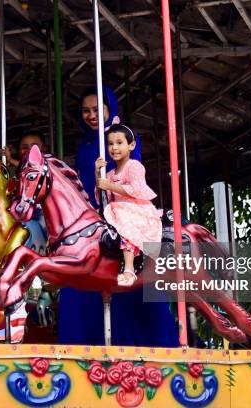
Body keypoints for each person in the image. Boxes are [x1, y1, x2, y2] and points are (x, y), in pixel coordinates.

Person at [57, 85, 178, 347]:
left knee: (132, 258)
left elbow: (131, 172)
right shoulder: (85, 146)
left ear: (109, 110)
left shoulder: (120, 137)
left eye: (96, 110)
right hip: (93, 211)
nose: (90, 115)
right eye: (86, 111)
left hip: (121, 206)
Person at [95, 124, 162, 286]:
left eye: (119, 143)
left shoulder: (134, 166)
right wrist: (98, 174)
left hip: (136, 210)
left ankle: (129, 269)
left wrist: (109, 185)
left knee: (126, 223)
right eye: (110, 144)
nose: (114, 147)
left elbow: (136, 189)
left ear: (131, 145)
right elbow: (103, 197)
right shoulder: (109, 174)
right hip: (117, 210)